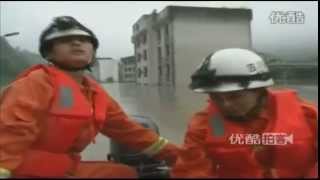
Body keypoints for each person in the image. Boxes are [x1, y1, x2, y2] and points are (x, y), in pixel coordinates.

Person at [0, 16, 179, 178]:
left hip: (62, 166)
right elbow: (10, 135)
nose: (77, 42)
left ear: (93, 52)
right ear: (48, 53)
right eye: (64, 40)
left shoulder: (94, 92)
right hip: (22, 169)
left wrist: (181, 157)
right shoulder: (35, 83)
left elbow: (130, 131)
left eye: (85, 40)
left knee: (125, 173)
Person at [170, 48, 318, 178]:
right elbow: (192, 170)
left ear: (259, 91)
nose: (225, 104)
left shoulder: (307, 116)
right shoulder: (204, 125)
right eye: (215, 97)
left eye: (234, 96)